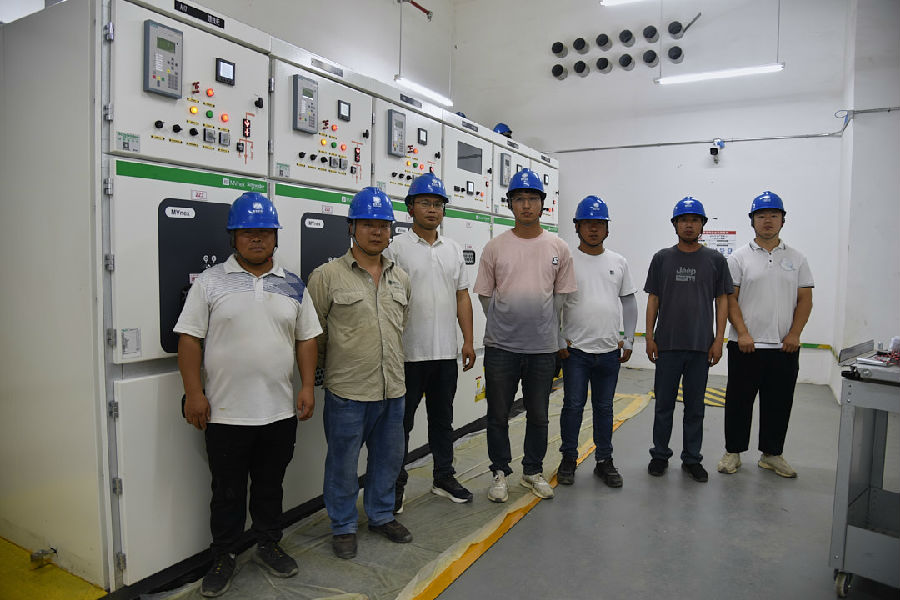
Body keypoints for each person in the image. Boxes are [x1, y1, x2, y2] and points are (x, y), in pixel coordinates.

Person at [175, 192, 321, 597]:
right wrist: (193, 393)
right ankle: (223, 555)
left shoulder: (294, 284)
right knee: (227, 492)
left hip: (278, 412)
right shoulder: (210, 282)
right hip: (225, 413)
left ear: (275, 237)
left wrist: (307, 386)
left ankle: (268, 544)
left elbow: (307, 339)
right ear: (233, 237)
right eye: (247, 232)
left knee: (271, 486)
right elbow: (189, 340)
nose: (257, 239)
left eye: (265, 232)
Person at [306, 186, 412, 560]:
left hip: (392, 388)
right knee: (343, 463)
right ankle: (343, 526)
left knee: (388, 459)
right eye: (368, 224)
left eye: (383, 225)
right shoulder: (326, 276)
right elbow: (313, 334)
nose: (377, 232)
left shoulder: (401, 277)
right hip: (348, 391)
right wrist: (322, 375)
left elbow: (401, 326)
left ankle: (381, 515)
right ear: (351, 227)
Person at [473, 169, 577, 502]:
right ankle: (499, 472)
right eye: (520, 199)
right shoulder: (495, 247)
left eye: (533, 198)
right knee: (497, 415)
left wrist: (545, 327)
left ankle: (532, 471)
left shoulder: (558, 246)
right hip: (500, 348)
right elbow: (485, 296)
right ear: (510, 204)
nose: (527, 205)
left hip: (542, 349)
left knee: (539, 415)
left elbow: (561, 297)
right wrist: (506, 321)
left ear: (543, 204)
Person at [384, 173, 477, 512]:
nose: (432, 209)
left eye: (438, 204)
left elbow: (462, 296)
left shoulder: (452, 249)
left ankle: (443, 477)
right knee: (400, 425)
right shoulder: (396, 248)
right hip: (407, 354)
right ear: (410, 208)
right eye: (425, 203)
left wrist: (468, 341)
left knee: (442, 421)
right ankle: (394, 487)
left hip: (444, 354)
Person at [717, 191, 813, 478]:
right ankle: (733, 452)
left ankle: (772, 455)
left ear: (783, 220)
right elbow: (730, 299)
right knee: (738, 402)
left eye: (774, 215)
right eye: (761, 215)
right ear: (752, 221)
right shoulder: (738, 258)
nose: (767, 220)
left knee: (779, 403)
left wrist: (794, 334)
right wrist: (743, 333)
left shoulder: (797, 258)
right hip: (745, 346)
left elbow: (805, 300)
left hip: (784, 347)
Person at [644, 197, 732, 483]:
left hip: (700, 346)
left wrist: (718, 340)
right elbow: (653, 299)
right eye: (683, 220)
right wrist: (649, 337)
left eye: (695, 220)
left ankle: (692, 459)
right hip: (667, 345)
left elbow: (722, 301)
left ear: (702, 225)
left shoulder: (715, 260)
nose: (689, 225)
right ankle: (659, 455)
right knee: (663, 405)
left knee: (695, 408)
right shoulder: (661, 258)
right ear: (675, 224)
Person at [557, 196, 637, 487]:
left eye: (599, 224)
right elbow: (555, 302)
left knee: (604, 408)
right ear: (577, 227)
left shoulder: (618, 262)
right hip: (576, 352)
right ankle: (569, 458)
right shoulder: (567, 261)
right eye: (587, 223)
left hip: (609, 352)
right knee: (573, 406)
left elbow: (628, 302)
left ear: (607, 228)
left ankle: (604, 460)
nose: (593, 229)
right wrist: (558, 338)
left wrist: (629, 339)